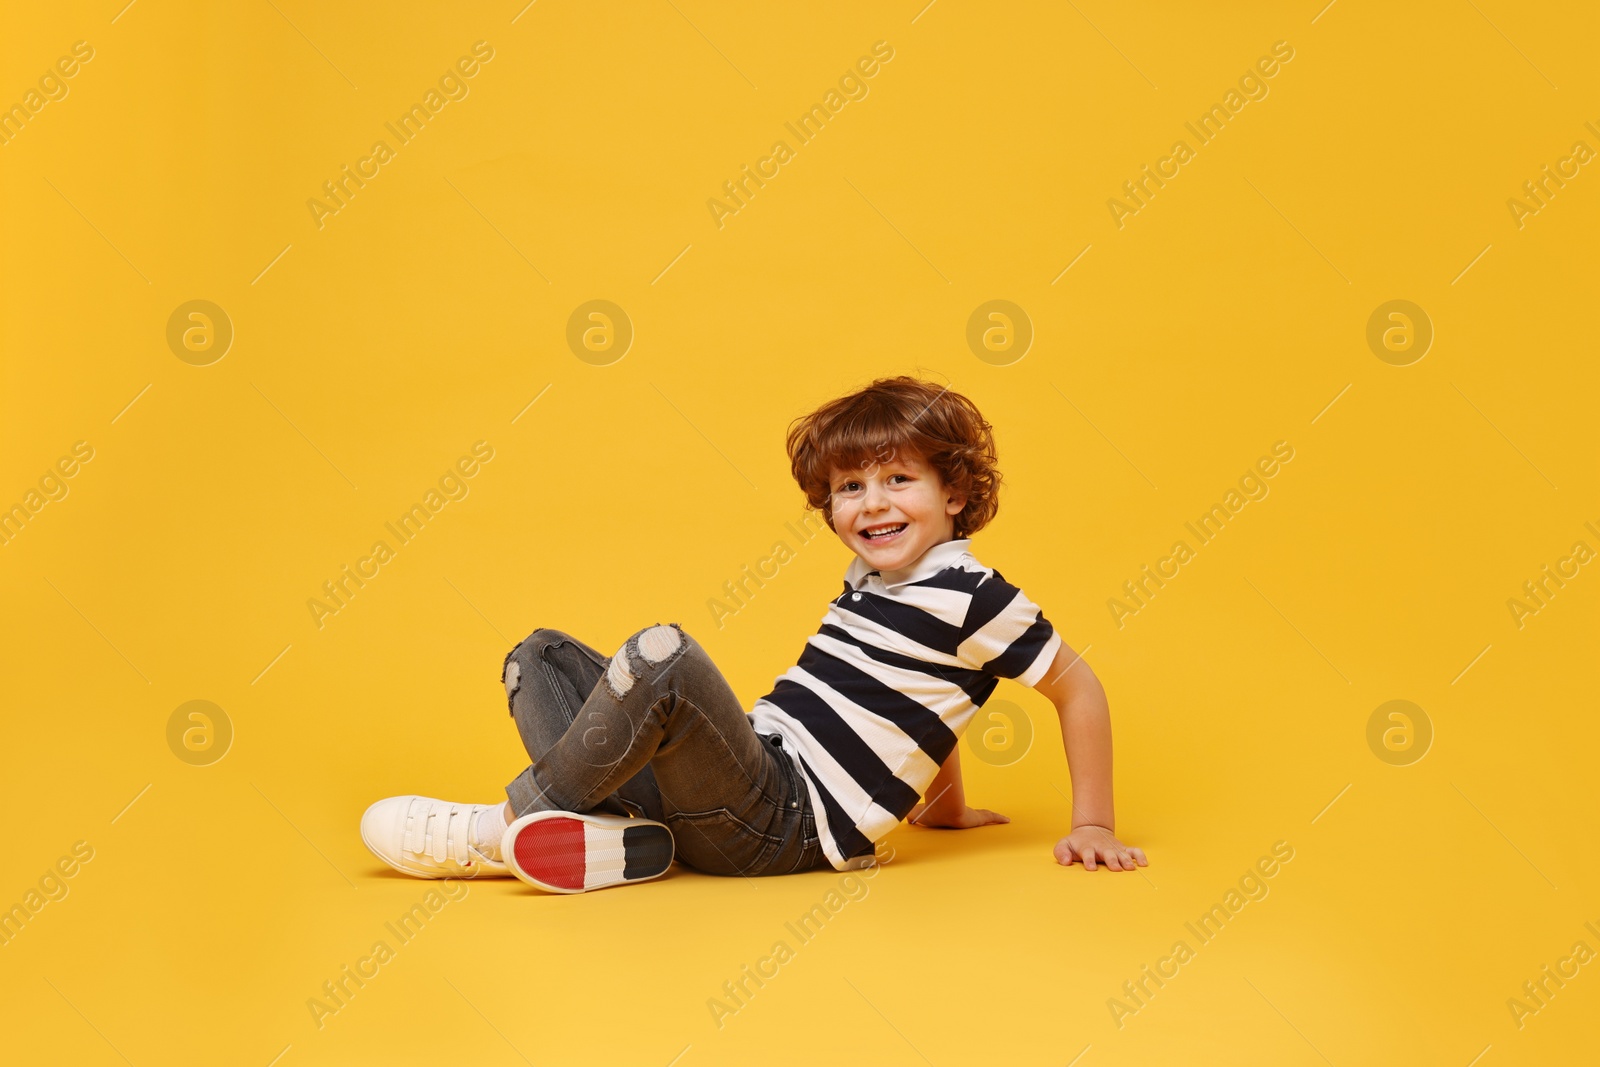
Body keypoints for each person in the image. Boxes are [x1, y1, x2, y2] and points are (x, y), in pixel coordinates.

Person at [360, 375, 1148, 892]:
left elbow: (1077, 687)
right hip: (740, 781)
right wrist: (942, 808)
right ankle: (629, 837)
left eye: (899, 479)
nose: (871, 503)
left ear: (957, 491)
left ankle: (499, 830)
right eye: (849, 487)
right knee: (539, 658)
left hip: (784, 823)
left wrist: (1093, 823)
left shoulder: (975, 594)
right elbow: (919, 699)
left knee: (661, 658)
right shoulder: (875, 579)